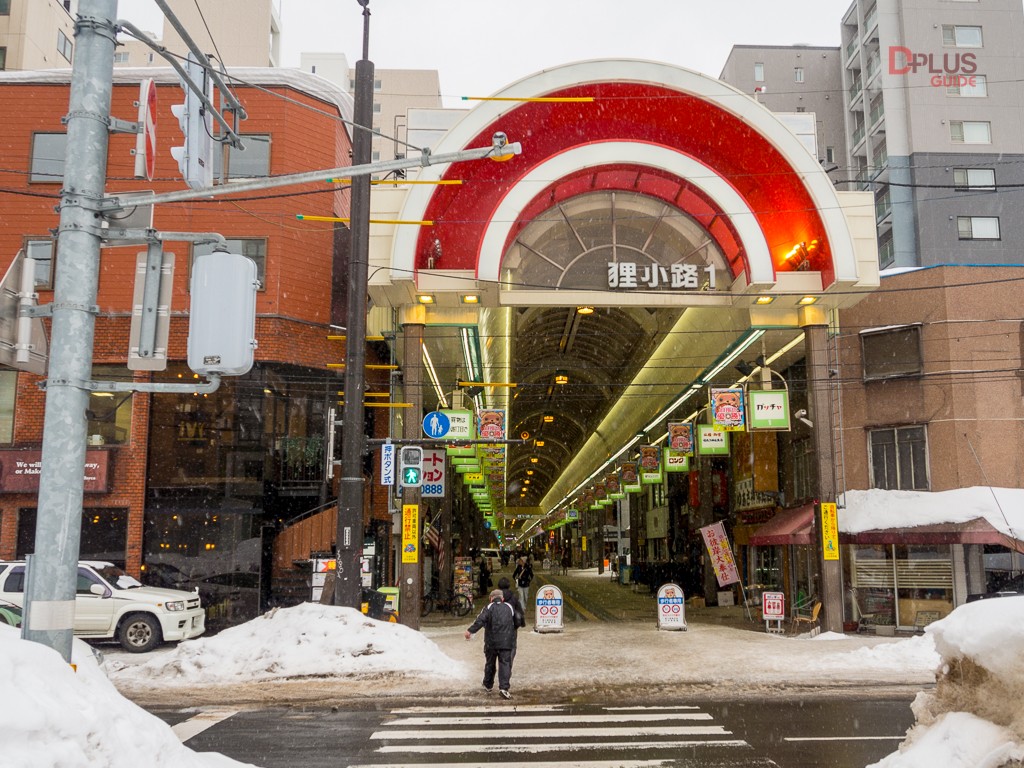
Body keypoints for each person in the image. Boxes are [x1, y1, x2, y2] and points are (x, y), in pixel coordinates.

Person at [464, 588, 516, 699]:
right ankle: (504, 688)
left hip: (491, 642)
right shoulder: (509, 607)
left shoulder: (488, 607)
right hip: (506, 642)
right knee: (505, 664)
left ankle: (488, 684)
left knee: (490, 664)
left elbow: (480, 620)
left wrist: (470, 631)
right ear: (502, 598)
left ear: (491, 598)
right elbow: (515, 621)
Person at [497, 575, 526, 655]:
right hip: (511, 625)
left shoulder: (495, 597)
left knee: (498, 645)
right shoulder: (513, 597)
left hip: (498, 625)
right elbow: (519, 611)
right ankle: (508, 664)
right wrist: (522, 623)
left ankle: (501, 662)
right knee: (512, 645)